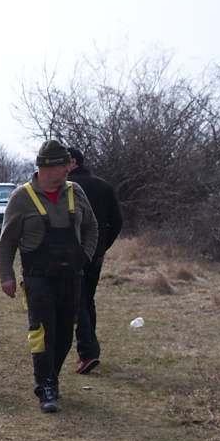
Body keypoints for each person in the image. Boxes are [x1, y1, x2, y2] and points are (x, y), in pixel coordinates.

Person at [0, 139, 98, 413]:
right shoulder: (21, 197)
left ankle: (51, 379)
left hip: (72, 276)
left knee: (65, 333)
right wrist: (6, 275)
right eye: (63, 164)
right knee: (43, 332)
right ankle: (44, 387)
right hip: (38, 278)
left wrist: (86, 255)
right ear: (46, 167)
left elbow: (91, 226)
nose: (68, 168)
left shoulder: (76, 192)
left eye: (68, 164)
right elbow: (7, 241)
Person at [68, 147, 124, 375]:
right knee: (88, 299)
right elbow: (117, 222)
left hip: (73, 254)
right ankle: (91, 348)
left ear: (73, 162)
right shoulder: (103, 185)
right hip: (96, 254)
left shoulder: (67, 187)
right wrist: (101, 246)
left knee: (77, 301)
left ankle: (87, 352)